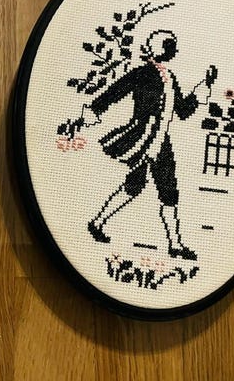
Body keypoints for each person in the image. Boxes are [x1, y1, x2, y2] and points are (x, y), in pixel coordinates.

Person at [82, 30, 217, 260]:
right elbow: (116, 91)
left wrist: (204, 86)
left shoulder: (170, 77)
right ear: (159, 49)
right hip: (142, 137)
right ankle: (99, 223)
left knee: (164, 188)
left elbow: (183, 111)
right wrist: (93, 111)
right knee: (141, 186)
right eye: (170, 46)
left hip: (161, 141)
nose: (173, 50)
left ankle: (174, 244)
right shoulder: (142, 73)